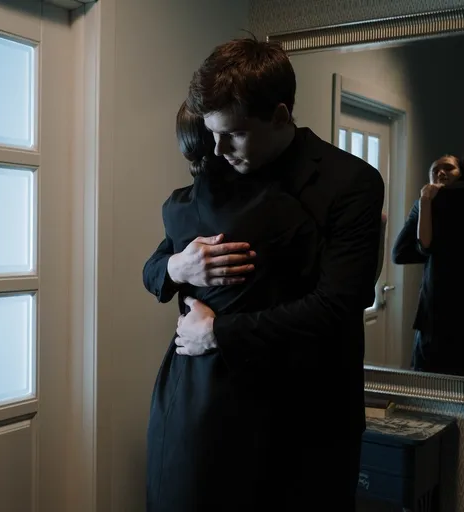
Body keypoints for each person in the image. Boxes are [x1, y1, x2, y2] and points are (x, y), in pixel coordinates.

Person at [144, 37, 384, 510]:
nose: (217, 149)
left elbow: (339, 303)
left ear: (279, 116)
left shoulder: (350, 183)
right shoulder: (219, 167)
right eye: (212, 133)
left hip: (309, 418)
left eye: (233, 133)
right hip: (218, 415)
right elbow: (155, 267)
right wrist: (178, 265)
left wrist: (219, 333)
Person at [144, 102, 320, 511]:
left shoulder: (177, 207)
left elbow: (150, 272)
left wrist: (172, 267)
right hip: (250, 383)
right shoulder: (284, 210)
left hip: (186, 385)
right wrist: (178, 265)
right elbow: (325, 300)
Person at [392, 155, 464, 378]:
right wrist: (425, 203)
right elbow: (401, 253)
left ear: (462, 175)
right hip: (434, 314)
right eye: (435, 169)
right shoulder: (425, 204)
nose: (441, 172)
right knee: (427, 379)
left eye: (449, 168)